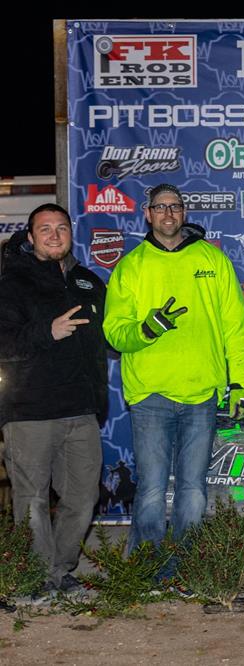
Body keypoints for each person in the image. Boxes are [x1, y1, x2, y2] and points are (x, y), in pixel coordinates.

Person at [103, 184, 244, 562]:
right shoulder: (131, 267)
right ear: (147, 214)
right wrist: (146, 329)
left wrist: (240, 383)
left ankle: (185, 567)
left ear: (184, 213)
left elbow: (236, 328)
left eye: (175, 206)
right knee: (152, 490)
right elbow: (114, 332)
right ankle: (146, 568)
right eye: (160, 207)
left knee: (194, 490)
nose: (168, 214)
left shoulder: (213, 260)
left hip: (201, 395)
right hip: (150, 396)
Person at [0, 206, 107, 594]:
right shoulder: (11, 283)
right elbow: (4, 343)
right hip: (29, 412)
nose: (54, 235)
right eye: (45, 229)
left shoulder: (87, 281)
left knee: (84, 496)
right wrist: (48, 331)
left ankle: (60, 570)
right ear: (30, 237)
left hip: (81, 409)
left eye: (61, 227)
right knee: (31, 500)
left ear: (71, 233)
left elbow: (104, 341)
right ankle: (36, 576)